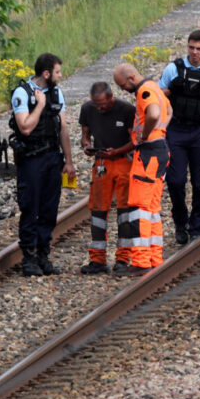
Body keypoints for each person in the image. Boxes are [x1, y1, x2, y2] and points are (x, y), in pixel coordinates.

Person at [9, 53, 76, 276]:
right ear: (46, 74)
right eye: (58, 72)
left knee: (49, 209)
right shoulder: (23, 94)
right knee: (30, 207)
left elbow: (63, 128)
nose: (61, 75)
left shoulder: (57, 92)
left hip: (52, 158)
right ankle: (28, 258)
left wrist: (68, 161)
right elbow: (25, 127)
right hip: (31, 159)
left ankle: (43, 255)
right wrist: (40, 105)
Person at [158, 30, 200, 244]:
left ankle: (198, 224)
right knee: (176, 181)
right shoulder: (173, 69)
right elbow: (157, 97)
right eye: (191, 48)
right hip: (176, 130)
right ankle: (180, 222)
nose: (194, 52)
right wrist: (171, 89)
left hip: (199, 131)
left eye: (198, 49)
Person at [111, 63, 172, 275]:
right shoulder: (155, 87)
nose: (121, 90)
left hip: (148, 152)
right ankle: (155, 257)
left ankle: (140, 262)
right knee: (153, 209)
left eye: (121, 85)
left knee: (139, 209)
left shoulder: (144, 91)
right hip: (160, 149)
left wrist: (145, 136)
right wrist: (159, 132)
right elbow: (169, 109)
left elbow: (154, 114)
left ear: (130, 78)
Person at [78, 82, 136, 274]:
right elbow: (85, 134)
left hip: (123, 162)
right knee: (97, 211)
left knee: (125, 211)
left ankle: (123, 258)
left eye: (102, 104)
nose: (99, 108)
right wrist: (86, 145)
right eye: (96, 104)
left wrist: (117, 151)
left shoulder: (127, 110)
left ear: (111, 97)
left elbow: (135, 140)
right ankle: (97, 259)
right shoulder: (88, 109)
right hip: (101, 163)